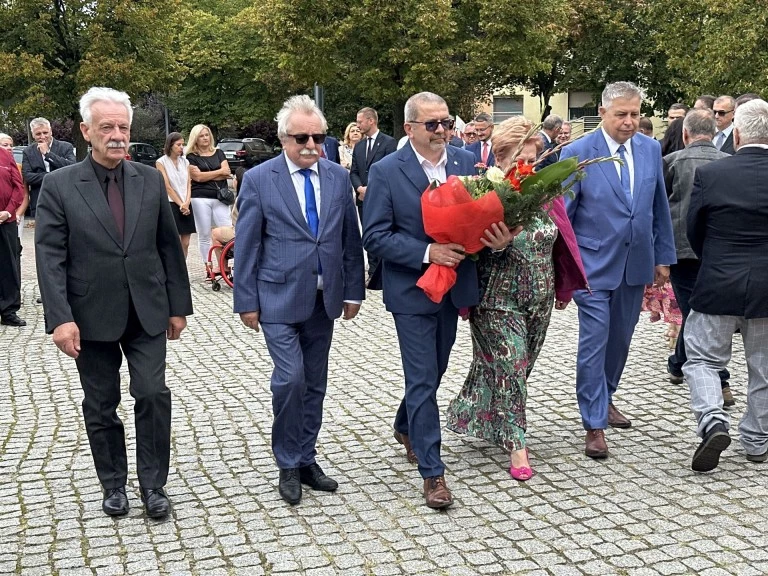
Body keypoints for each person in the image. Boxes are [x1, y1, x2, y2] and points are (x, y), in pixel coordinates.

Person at [35, 86, 192, 518]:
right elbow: (50, 257)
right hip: (90, 316)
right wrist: (60, 320)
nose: (118, 135)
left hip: (147, 311)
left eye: (123, 127)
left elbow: (167, 247)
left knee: (153, 393)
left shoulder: (147, 178)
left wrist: (178, 306)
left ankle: (154, 485)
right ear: (87, 131)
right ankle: (113, 484)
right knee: (101, 405)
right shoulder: (59, 185)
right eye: (108, 127)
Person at [363, 91, 513, 509]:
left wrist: (497, 239)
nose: (443, 131)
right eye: (433, 125)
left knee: (436, 369)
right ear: (410, 128)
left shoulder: (467, 163)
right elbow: (374, 235)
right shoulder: (386, 171)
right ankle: (433, 473)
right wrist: (427, 253)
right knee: (423, 377)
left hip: (455, 287)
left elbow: (485, 217)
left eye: (447, 122)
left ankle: (405, 425)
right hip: (411, 290)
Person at [234, 95, 365, 506]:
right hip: (277, 297)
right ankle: (287, 462)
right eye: (301, 137)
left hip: (323, 299)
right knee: (290, 378)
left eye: (318, 137)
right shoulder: (259, 178)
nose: (311, 144)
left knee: (315, 383)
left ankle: (306, 457)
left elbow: (348, 238)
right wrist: (246, 300)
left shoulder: (336, 177)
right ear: (283, 138)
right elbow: (249, 243)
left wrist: (353, 289)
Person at [445, 117, 587, 481]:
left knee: (518, 368)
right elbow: (466, 247)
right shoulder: (482, 191)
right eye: (520, 159)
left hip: (538, 295)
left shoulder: (544, 194)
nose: (528, 167)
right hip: (496, 297)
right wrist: (495, 245)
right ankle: (516, 443)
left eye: (534, 159)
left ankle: (473, 409)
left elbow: (561, 242)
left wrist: (563, 288)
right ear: (500, 156)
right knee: (510, 364)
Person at [560, 81, 676, 459]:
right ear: (603, 114)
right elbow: (564, 217)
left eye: (635, 114)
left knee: (620, 340)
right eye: (622, 115)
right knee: (594, 341)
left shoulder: (649, 149)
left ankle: (605, 396)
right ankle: (593, 423)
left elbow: (658, 207)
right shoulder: (578, 152)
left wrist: (662, 258)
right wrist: (566, 270)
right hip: (592, 266)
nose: (629, 122)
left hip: (635, 264)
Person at [684, 99, 768, 472]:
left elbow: (694, 228)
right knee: (764, 367)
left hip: (718, 280)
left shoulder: (712, 174)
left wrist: (713, 259)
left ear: (736, 133)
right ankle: (757, 441)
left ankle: (713, 420)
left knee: (701, 358)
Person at [663, 109, 732, 403]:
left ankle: (714, 376)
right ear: (715, 133)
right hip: (718, 250)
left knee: (695, 312)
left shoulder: (670, 163)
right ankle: (684, 366)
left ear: (685, 134)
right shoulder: (730, 164)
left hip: (681, 249)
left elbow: (660, 210)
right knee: (702, 312)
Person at [349, 107, 396, 278]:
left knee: (383, 233)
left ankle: (384, 272)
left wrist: (373, 189)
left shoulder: (389, 143)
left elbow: (391, 170)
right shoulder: (359, 146)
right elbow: (353, 171)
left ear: (371, 121)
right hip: (363, 198)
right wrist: (359, 188)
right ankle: (372, 271)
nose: (358, 124)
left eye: (360, 121)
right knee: (368, 234)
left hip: (382, 199)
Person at [186, 124, 232, 272]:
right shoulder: (191, 157)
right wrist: (219, 172)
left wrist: (206, 175)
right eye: (201, 136)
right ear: (195, 138)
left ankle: (225, 265)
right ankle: (208, 266)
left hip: (221, 197)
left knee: (226, 231)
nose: (205, 138)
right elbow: (197, 177)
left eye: (207, 135)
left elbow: (227, 172)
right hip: (200, 197)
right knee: (204, 233)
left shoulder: (219, 153)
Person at [21, 117, 75, 221]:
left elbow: (71, 168)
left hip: (64, 199)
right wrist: (56, 175)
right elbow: (28, 177)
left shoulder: (65, 147)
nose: (42, 136)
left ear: (51, 131)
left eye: (45, 132)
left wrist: (48, 154)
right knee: (43, 236)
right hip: (40, 201)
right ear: (33, 135)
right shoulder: (28, 152)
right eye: (38, 134)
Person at [156, 132, 195, 258]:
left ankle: (184, 267)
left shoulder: (185, 162)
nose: (181, 147)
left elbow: (189, 183)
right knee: (176, 241)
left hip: (186, 203)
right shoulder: (161, 162)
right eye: (178, 145)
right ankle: (176, 270)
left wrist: (187, 202)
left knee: (186, 242)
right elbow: (167, 186)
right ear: (171, 145)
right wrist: (181, 204)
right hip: (172, 203)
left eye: (182, 145)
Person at [0, 145, 25, 327]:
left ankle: (9, 311)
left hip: (6, 220)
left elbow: (18, 187)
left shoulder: (6, 156)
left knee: (8, 266)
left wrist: (8, 212)